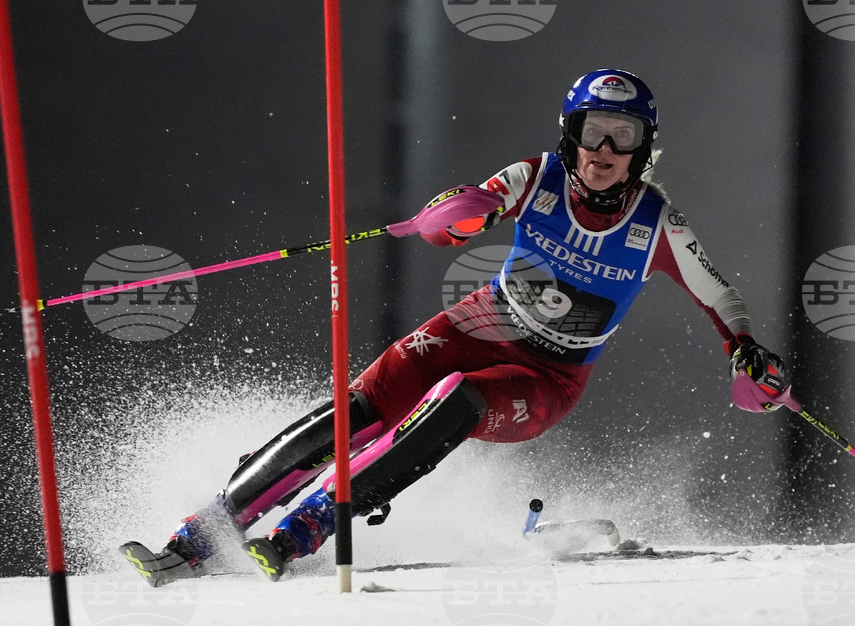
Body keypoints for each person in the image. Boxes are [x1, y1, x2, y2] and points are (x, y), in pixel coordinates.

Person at [120, 69, 786, 585]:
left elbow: (718, 293)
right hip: (478, 322)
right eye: (593, 131)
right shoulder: (538, 176)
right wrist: (456, 213)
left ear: (645, 146)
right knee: (359, 410)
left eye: (625, 135)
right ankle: (195, 538)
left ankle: (311, 527)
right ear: (570, 133)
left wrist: (745, 351)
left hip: (546, 376)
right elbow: (471, 210)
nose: (605, 150)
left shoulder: (655, 222)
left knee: (459, 398)